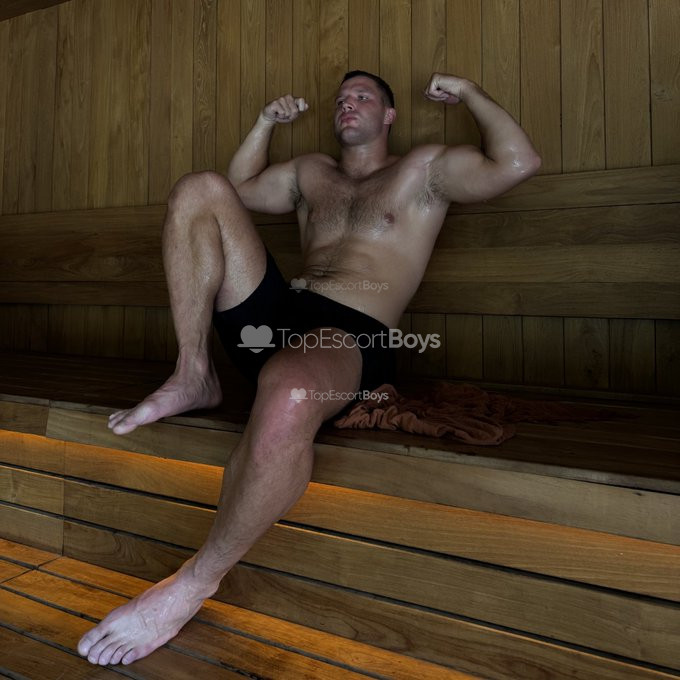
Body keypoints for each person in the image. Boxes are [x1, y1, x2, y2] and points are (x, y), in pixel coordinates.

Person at [77, 70, 541, 666]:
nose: (348, 103)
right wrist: (265, 123)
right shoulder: (310, 174)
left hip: (349, 337)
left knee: (291, 391)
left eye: (363, 96)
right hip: (281, 319)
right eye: (342, 98)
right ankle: (194, 372)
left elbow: (517, 163)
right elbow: (237, 190)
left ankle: (192, 584)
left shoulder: (423, 170)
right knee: (200, 188)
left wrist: (469, 92)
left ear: (390, 115)